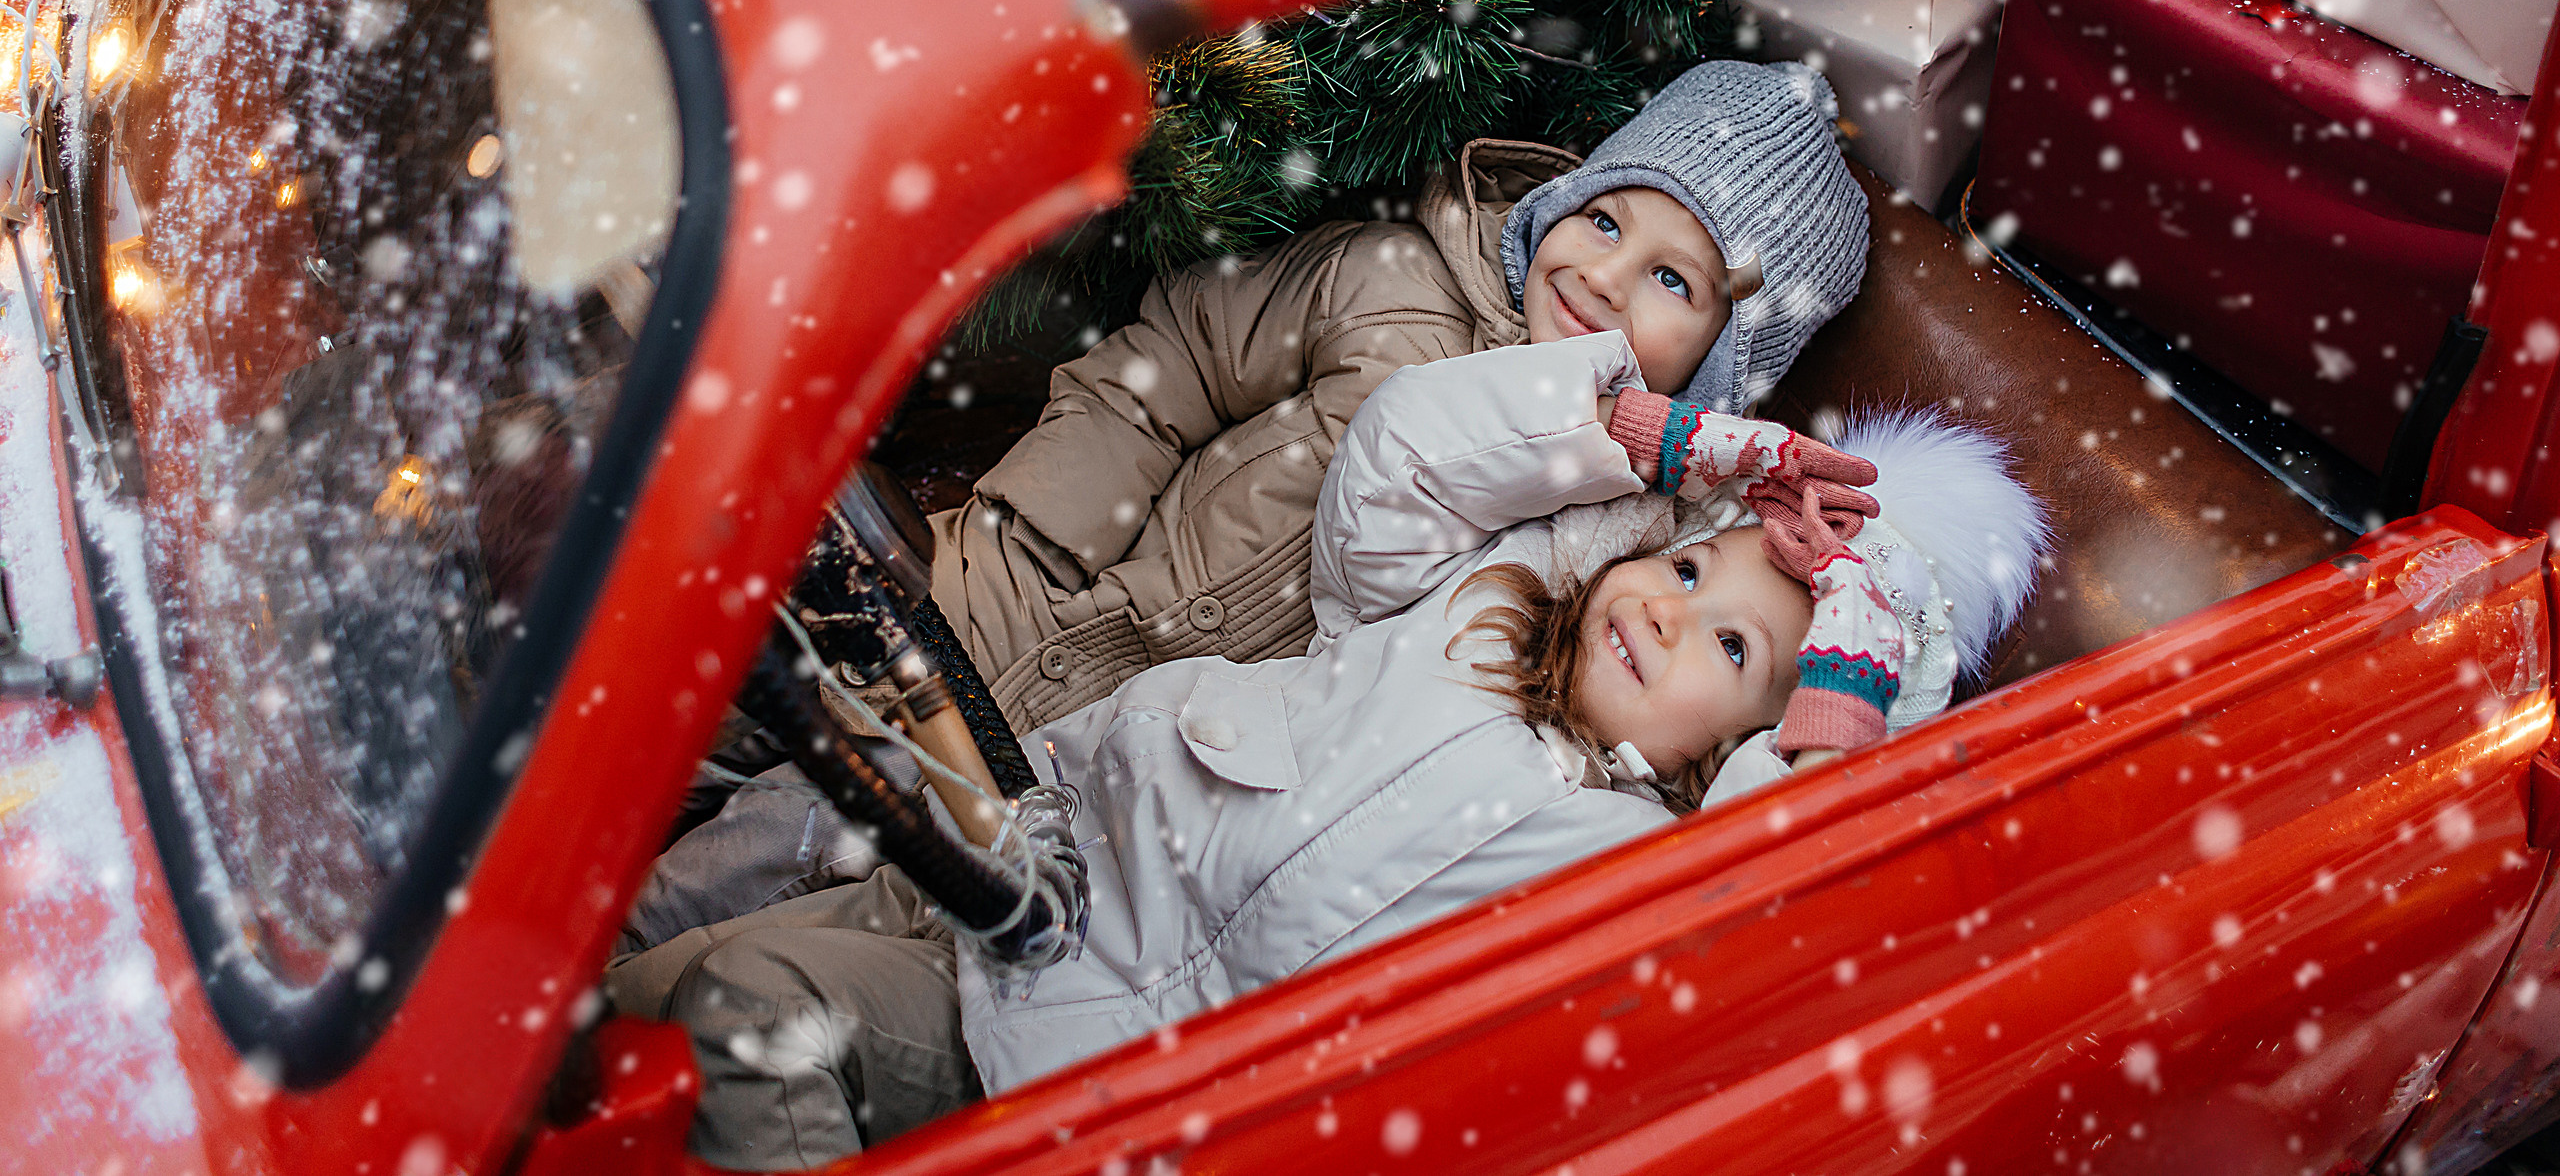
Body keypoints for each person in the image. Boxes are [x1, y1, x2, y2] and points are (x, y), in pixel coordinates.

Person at [607, 332, 2050, 1168]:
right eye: (1689, 576)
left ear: (1744, 739)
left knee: (742, 1003)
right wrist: (1657, 443)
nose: (1675, 621)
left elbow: (1793, 874)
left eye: (1736, 650)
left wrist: (1848, 683)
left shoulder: (1645, 860)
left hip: (1103, 1075)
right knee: (642, 997)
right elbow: (1401, 456)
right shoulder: (1478, 606)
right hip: (1035, 865)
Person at [912, 58, 1872, 732]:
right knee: (797, 703)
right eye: (1606, 218)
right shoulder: (1397, 282)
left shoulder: (1624, 534)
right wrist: (1045, 528)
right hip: (1033, 595)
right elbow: (1184, 352)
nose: (1608, 275)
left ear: (1720, 363)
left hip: (1147, 757)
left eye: (1674, 281)